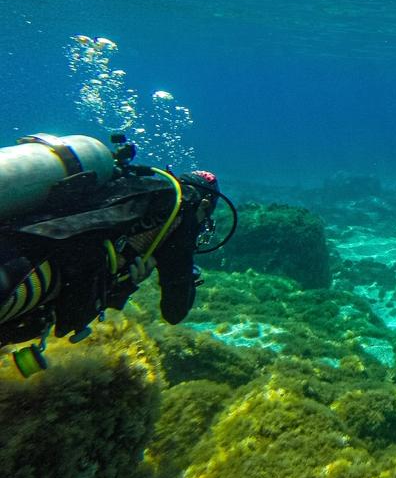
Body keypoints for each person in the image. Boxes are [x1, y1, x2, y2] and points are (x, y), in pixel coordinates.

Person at [0, 133, 235, 376]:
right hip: (42, 270)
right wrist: (189, 274)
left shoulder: (133, 186)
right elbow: (174, 312)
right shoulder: (183, 210)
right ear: (205, 205)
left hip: (20, 238)